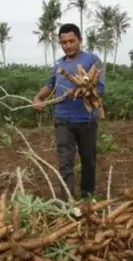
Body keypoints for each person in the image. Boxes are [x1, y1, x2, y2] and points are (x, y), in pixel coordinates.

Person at [32, 23, 106, 202]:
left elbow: (100, 87)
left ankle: (88, 196)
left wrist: (80, 90)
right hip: (62, 119)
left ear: (80, 40)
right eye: (64, 42)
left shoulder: (92, 60)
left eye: (72, 41)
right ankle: (67, 201)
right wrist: (38, 98)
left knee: (88, 160)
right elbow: (51, 85)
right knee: (65, 162)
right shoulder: (59, 64)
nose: (68, 45)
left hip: (86, 119)